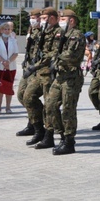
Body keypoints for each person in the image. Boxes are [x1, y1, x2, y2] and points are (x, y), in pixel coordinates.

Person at [43, 9, 87, 155]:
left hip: (71, 77)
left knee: (68, 109)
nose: (61, 21)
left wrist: (55, 58)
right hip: (60, 76)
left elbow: (71, 55)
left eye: (64, 19)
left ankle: (69, 141)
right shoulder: (62, 35)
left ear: (72, 20)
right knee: (50, 105)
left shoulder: (77, 35)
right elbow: (52, 50)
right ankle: (62, 134)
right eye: (60, 18)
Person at [22, 8, 61, 147]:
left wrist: (34, 66)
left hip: (49, 73)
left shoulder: (58, 32)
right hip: (39, 72)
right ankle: (38, 129)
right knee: (27, 97)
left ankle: (49, 136)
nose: (40, 20)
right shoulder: (42, 31)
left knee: (49, 106)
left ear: (52, 18)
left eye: (43, 18)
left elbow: (52, 54)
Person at [16, 9, 42, 136]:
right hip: (28, 67)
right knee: (21, 95)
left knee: (29, 97)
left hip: (37, 69)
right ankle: (33, 120)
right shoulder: (31, 30)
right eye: (31, 17)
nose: (32, 19)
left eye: (34, 17)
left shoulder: (43, 31)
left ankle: (36, 123)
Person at [0, 22, 19, 114]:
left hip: (10, 67)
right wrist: (3, 61)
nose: (7, 31)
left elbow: (15, 53)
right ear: (1, 30)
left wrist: (8, 62)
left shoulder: (13, 40)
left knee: (8, 87)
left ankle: (8, 107)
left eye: (9, 29)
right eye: (5, 29)